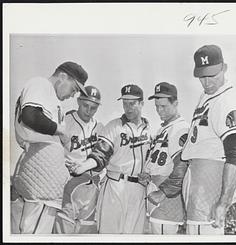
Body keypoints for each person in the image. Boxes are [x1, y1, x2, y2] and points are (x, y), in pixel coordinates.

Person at [11, 61, 88, 234]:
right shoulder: (41, 83)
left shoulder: (51, 96)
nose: (73, 95)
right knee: (33, 231)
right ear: (62, 77)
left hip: (44, 172)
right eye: (74, 89)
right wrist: (60, 131)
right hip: (40, 171)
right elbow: (30, 115)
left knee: (34, 229)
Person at [181, 45, 236, 235]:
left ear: (224, 68)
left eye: (212, 75)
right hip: (195, 179)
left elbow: (234, 156)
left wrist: (223, 203)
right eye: (202, 76)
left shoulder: (229, 100)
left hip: (211, 180)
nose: (207, 82)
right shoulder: (207, 96)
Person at [67, 84, 151, 234]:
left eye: (132, 103)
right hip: (115, 185)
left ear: (142, 103)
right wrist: (83, 166)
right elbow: (101, 154)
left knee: (135, 235)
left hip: (139, 188)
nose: (128, 107)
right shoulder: (114, 127)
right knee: (109, 234)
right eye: (125, 103)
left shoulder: (150, 130)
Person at [138, 82, 189, 234]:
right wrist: (147, 174)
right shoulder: (163, 129)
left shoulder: (180, 128)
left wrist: (163, 192)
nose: (159, 111)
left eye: (164, 106)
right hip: (156, 193)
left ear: (176, 104)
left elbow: (182, 166)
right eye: (157, 106)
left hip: (167, 198)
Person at [53, 85, 106, 234]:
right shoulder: (65, 121)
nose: (89, 111)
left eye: (93, 108)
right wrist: (62, 162)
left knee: (87, 230)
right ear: (78, 101)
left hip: (93, 186)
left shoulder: (100, 127)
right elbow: (53, 149)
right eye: (85, 105)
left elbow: (104, 158)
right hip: (69, 183)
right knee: (63, 229)